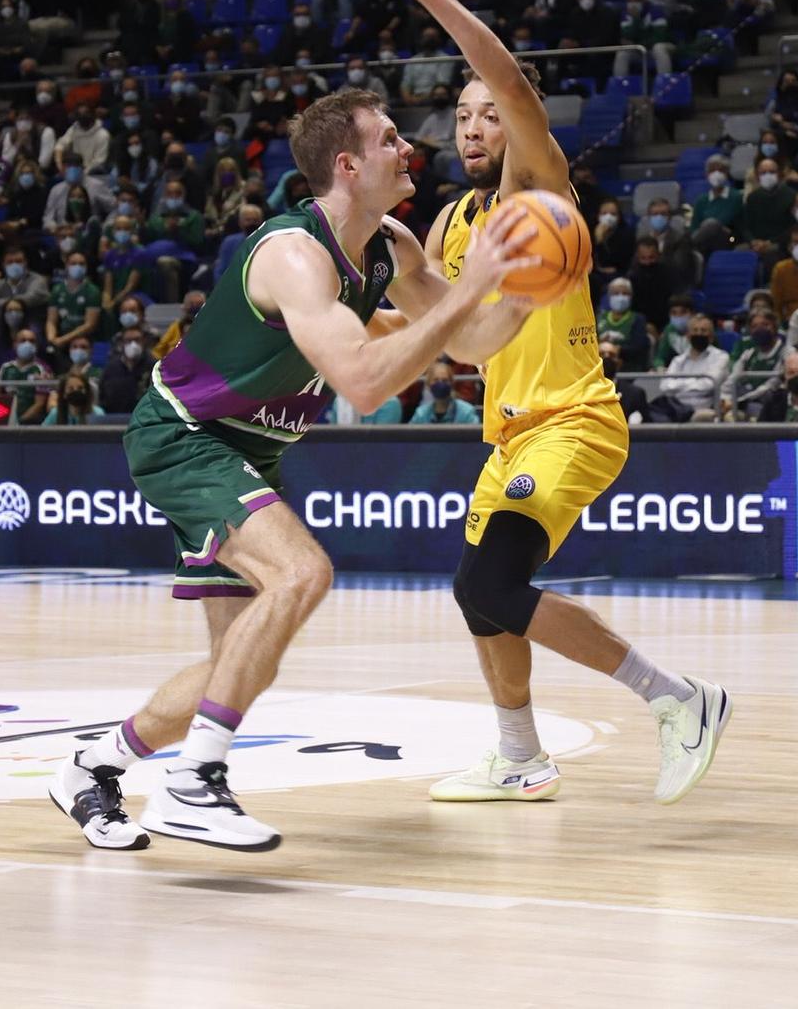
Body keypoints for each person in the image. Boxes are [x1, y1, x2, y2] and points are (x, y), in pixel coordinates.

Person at [48, 81, 543, 854]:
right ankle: (193, 782)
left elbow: (470, 340)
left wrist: (530, 290)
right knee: (303, 573)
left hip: (250, 448)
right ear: (347, 165)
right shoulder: (292, 255)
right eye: (388, 140)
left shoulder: (392, 246)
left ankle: (92, 767)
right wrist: (469, 292)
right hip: (184, 435)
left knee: (234, 665)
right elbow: (364, 381)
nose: (408, 147)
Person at [354, 0, 731, 808]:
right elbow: (444, 337)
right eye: (463, 113)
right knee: (478, 596)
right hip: (508, 432)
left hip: (576, 419)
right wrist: (348, 326)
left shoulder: (538, 188)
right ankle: (520, 754)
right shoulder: (449, 223)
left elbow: (517, 84)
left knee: (492, 576)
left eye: (489, 113)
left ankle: (680, 699)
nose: (475, 123)